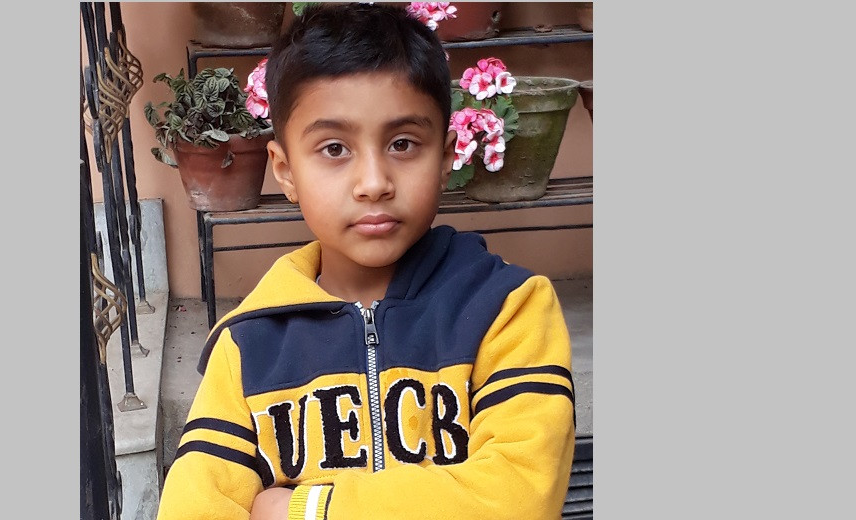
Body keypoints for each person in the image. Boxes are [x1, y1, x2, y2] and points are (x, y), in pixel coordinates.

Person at [156, 4, 575, 520]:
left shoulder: (507, 310)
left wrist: (304, 510)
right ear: (285, 171)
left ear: (446, 157)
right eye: (334, 149)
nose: (374, 182)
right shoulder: (248, 345)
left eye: (403, 143)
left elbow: (519, 496)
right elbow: (193, 507)